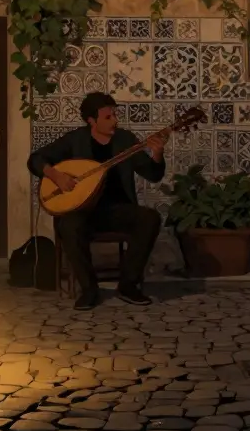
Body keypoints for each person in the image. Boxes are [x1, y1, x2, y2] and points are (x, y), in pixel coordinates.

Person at [28, 92, 167, 311]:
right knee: (69, 226)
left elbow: (153, 174)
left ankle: (128, 285)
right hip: (85, 211)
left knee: (150, 218)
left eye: (114, 115)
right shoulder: (75, 140)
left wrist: (157, 154)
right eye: (108, 117)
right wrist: (57, 176)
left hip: (119, 210)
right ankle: (89, 289)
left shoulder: (125, 140)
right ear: (91, 121)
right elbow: (35, 159)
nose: (115, 120)